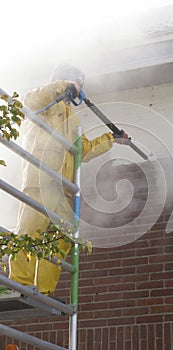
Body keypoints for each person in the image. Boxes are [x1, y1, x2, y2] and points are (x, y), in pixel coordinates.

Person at [8, 64, 128, 295]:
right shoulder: (44, 103)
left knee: (60, 240)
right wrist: (62, 86)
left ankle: (43, 289)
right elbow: (30, 100)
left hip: (63, 190)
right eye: (75, 83)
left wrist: (111, 139)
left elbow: (82, 149)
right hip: (39, 181)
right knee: (30, 232)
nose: (78, 90)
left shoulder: (72, 120)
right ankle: (18, 284)